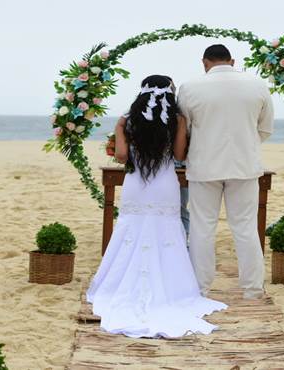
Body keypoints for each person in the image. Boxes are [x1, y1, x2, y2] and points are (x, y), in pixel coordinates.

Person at [86, 75, 226, 338]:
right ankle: (174, 290)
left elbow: (121, 156)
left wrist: (118, 127)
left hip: (136, 184)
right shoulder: (178, 120)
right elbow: (180, 155)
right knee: (167, 233)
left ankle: (118, 287)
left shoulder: (129, 119)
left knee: (130, 230)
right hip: (164, 184)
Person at [177, 44, 274, 300]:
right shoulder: (257, 84)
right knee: (245, 227)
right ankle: (252, 289)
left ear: (204, 62)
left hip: (203, 166)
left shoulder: (189, 88)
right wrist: (246, 147)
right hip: (244, 166)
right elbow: (265, 129)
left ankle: (200, 287)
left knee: (201, 228)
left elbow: (183, 131)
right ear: (232, 61)